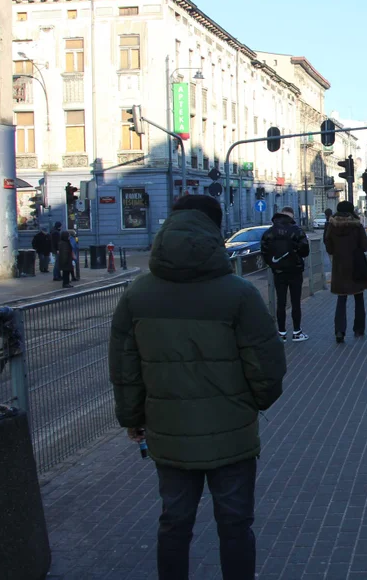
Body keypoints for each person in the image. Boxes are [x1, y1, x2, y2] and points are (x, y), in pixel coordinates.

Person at [108, 194, 285, 580]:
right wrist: (253, 404)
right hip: (232, 436)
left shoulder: (138, 294)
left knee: (174, 523)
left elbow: (125, 366)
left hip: (168, 434)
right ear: (214, 230)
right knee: (236, 525)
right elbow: (268, 364)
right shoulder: (238, 293)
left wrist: (133, 418)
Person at [261, 206, 311, 342]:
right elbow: (305, 250)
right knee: (295, 302)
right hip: (295, 270)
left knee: (280, 302)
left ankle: (281, 333)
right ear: (291, 217)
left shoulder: (269, 232)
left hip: (278, 271)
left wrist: (272, 264)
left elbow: (264, 252)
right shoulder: (296, 230)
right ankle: (297, 332)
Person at [325, 200, 367, 343]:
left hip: (339, 267)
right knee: (359, 298)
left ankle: (339, 331)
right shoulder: (356, 225)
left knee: (341, 298)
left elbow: (329, 247)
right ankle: (359, 329)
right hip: (356, 265)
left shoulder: (331, 226)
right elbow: (365, 246)